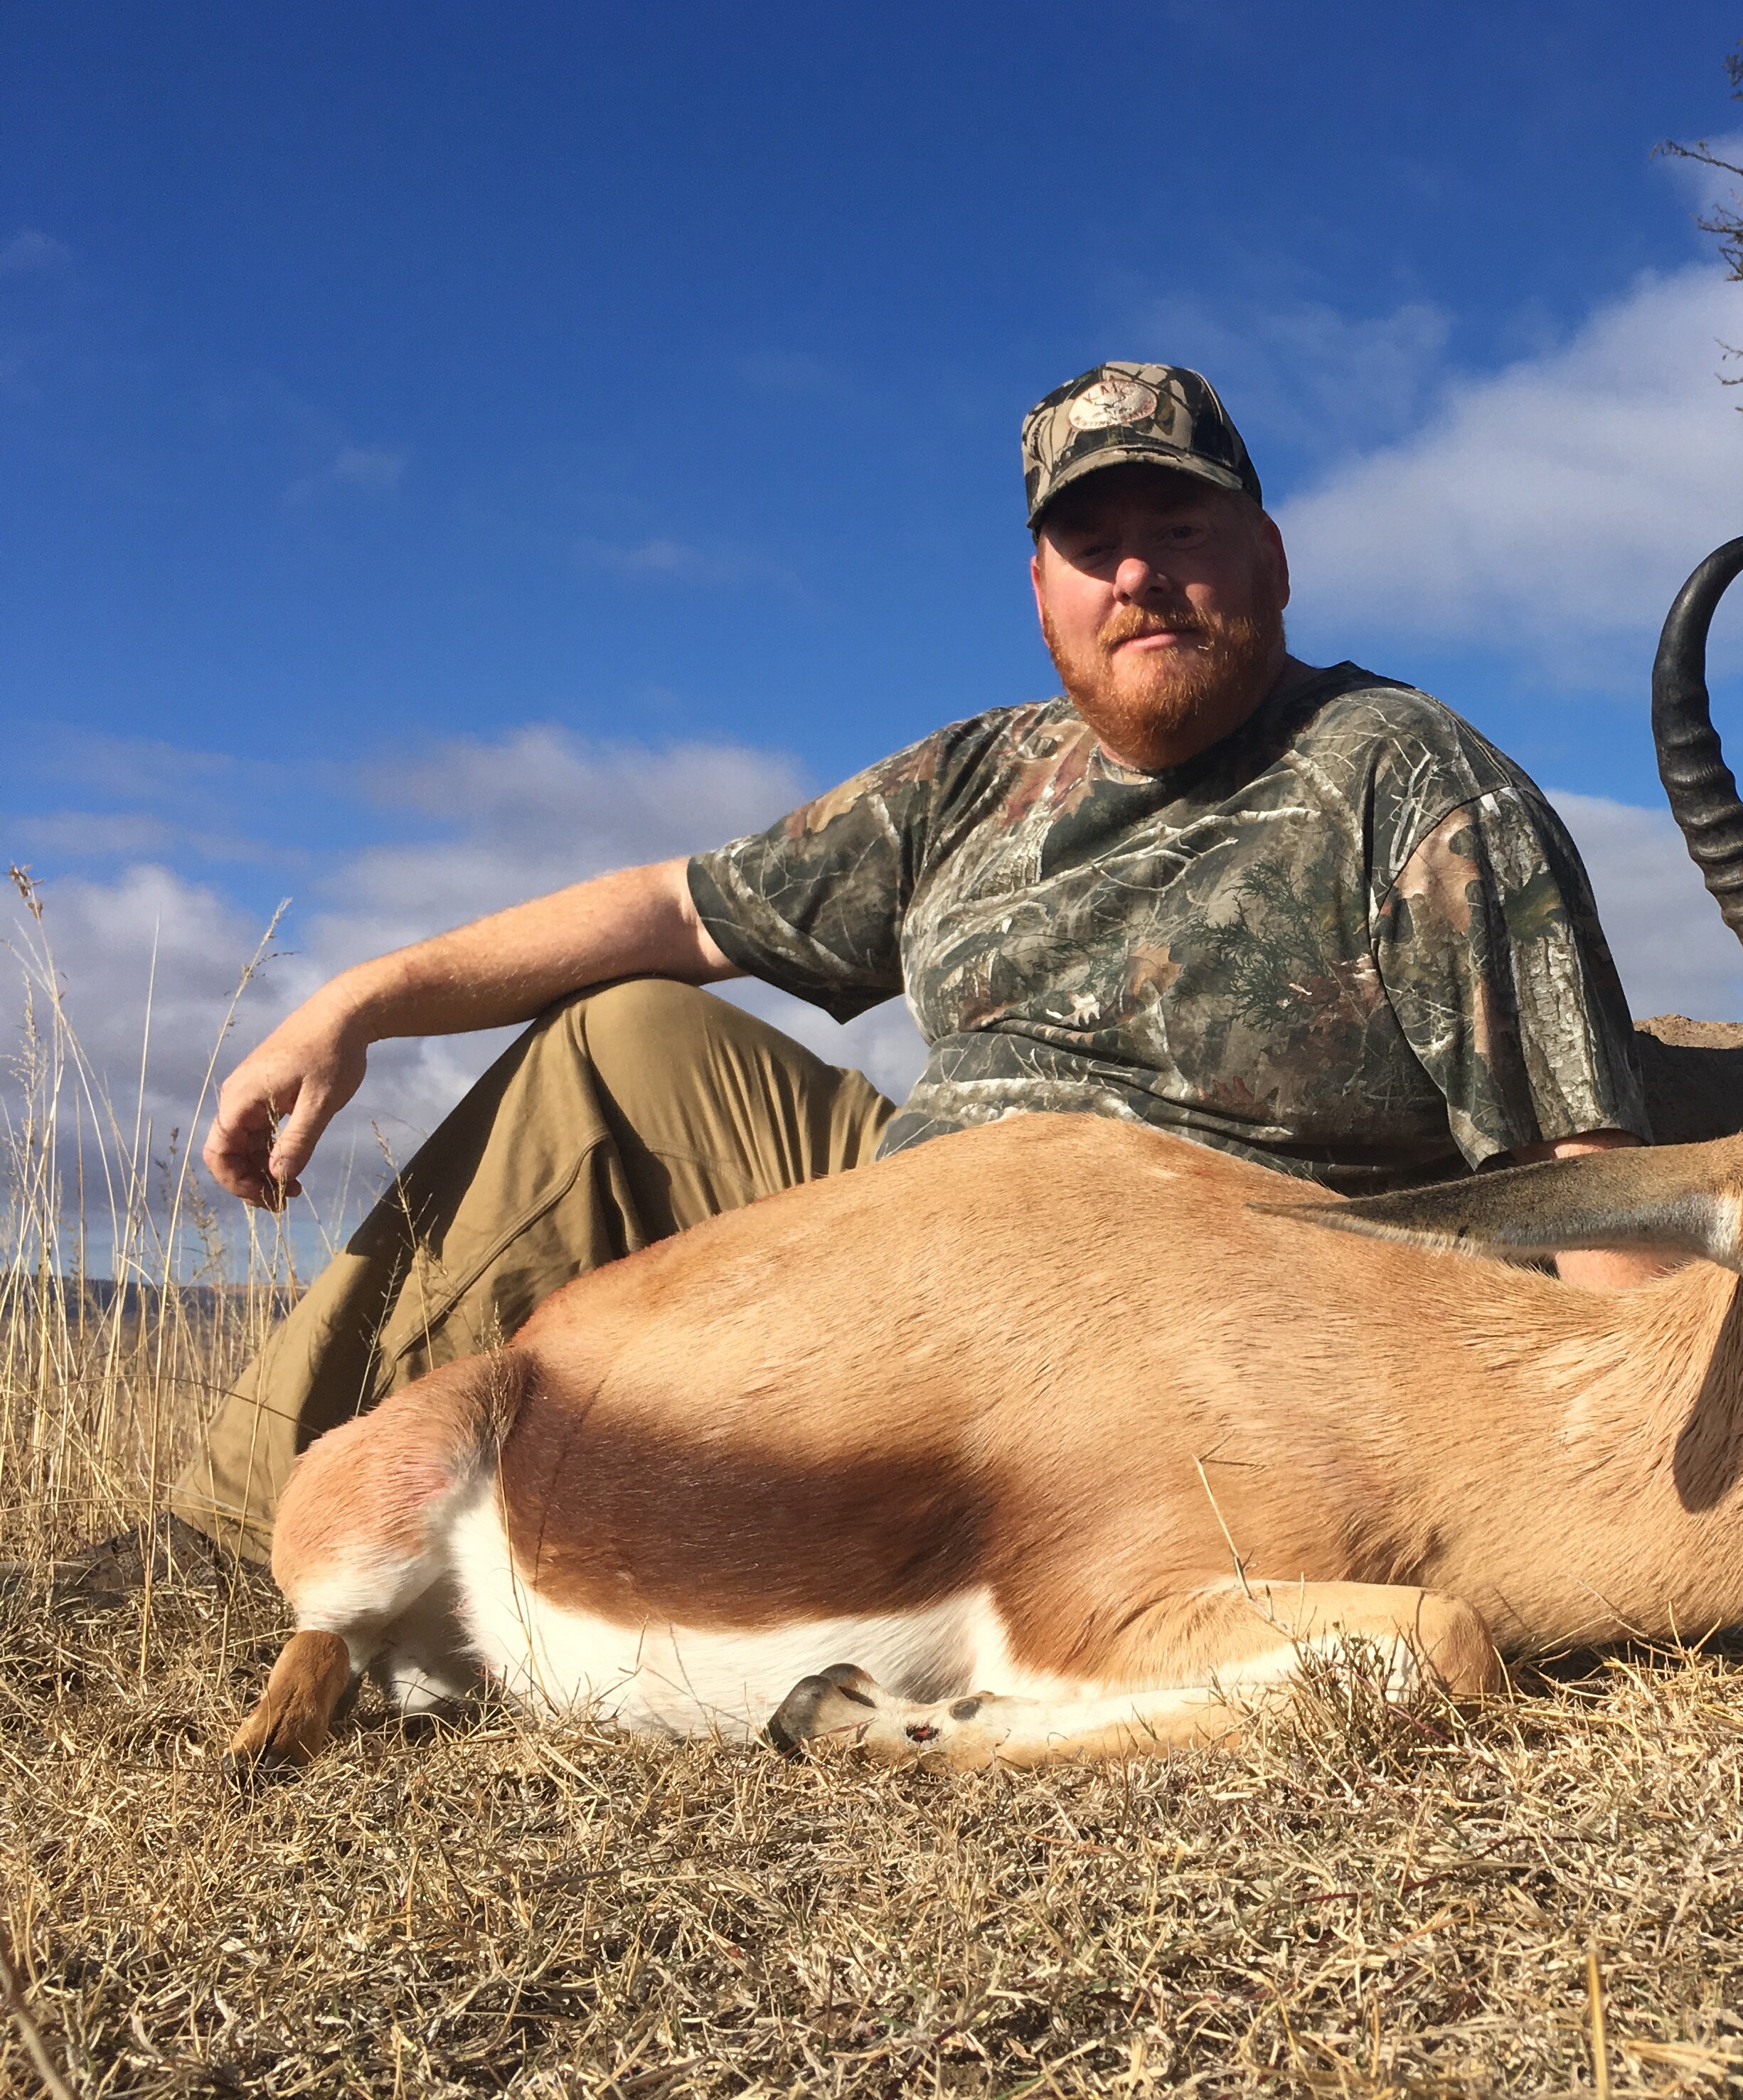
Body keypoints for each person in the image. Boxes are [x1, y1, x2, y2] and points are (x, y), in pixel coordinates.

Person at [176, 361, 1655, 1562]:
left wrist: (1625, 1492)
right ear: (1041, 591)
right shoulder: (982, 775)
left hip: (1186, 1319)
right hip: (908, 1224)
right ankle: (224, 1530)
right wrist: (355, 1003)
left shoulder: (1404, 773)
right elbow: (679, 910)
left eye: (1182, 527)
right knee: (623, 1041)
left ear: (1267, 557)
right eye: (1092, 543)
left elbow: (1586, 1177)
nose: (1136, 571)